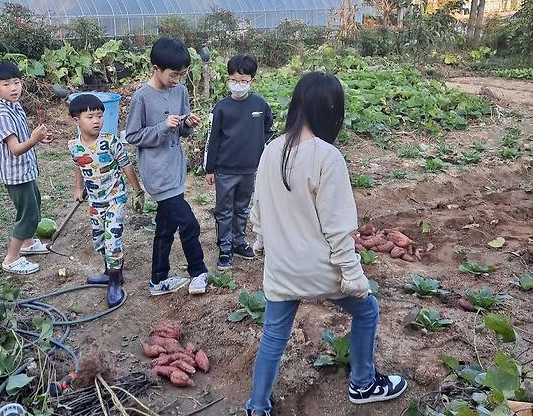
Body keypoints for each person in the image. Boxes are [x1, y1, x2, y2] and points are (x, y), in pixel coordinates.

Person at [246, 73, 407, 414]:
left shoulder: (271, 149)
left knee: (273, 337)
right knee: (367, 311)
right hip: (320, 268)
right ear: (331, 111)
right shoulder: (327, 156)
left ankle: (256, 406)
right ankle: (363, 384)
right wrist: (353, 275)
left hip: (281, 269)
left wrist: (262, 243)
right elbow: (338, 229)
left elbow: (257, 209)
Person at [125, 37, 209, 297]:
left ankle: (158, 280)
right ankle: (198, 272)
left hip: (175, 169)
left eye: (182, 75)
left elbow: (181, 130)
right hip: (157, 174)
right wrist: (162, 127)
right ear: (156, 68)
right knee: (189, 224)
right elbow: (132, 136)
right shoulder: (141, 98)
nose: (177, 80)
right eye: (173, 74)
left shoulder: (180, 91)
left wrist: (187, 125)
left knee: (165, 227)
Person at [68, 94, 144, 308]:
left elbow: (126, 165)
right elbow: (78, 166)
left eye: (99, 116)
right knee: (99, 240)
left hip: (115, 198)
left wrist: (137, 190)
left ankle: (114, 284)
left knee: (112, 241)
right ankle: (110, 272)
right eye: (90, 116)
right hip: (95, 201)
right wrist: (78, 188)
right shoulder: (74, 146)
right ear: (76, 121)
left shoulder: (110, 141)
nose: (96, 121)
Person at [204, 55, 273, 270]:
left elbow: (268, 131)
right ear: (228, 79)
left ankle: (239, 242)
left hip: (249, 169)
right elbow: (212, 139)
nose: (239, 85)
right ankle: (224, 248)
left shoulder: (260, 105)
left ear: (252, 80)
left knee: (242, 207)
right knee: (224, 210)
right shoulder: (221, 108)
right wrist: (210, 168)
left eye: (243, 81)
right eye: (234, 80)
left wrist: (260, 152)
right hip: (225, 170)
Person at [0, 61, 50, 275]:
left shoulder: (14, 105)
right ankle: (12, 258)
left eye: (16, 82)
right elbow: (14, 149)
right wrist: (34, 139)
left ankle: (28, 243)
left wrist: (38, 139)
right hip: (15, 174)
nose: (14, 88)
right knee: (27, 214)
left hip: (25, 169)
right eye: (6, 84)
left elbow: (23, 138)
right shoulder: (1, 114)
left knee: (35, 203)